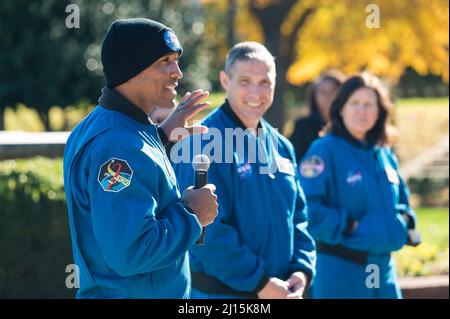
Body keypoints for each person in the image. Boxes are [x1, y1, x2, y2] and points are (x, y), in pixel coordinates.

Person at [63, 18, 218, 299]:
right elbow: (133, 252)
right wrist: (192, 214)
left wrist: (159, 139)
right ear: (130, 71)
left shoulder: (107, 127)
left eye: (177, 60)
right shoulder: (119, 146)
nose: (178, 72)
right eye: (164, 61)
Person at [173, 42, 316, 299]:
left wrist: (301, 271)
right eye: (245, 81)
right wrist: (260, 283)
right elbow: (205, 232)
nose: (256, 92)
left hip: (282, 292)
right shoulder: (204, 141)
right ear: (225, 80)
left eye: (265, 82)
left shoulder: (281, 146)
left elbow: (299, 217)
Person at [298, 73, 421, 299]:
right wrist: (349, 225)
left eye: (368, 105)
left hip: (381, 269)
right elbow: (306, 209)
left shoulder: (384, 154)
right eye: (354, 103)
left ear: (379, 112)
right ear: (341, 108)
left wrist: (404, 222)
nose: (361, 111)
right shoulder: (323, 151)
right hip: (341, 267)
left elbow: (402, 200)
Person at [290, 70, 345, 161]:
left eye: (333, 91)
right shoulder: (303, 126)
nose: (328, 97)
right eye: (322, 92)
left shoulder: (349, 126)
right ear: (314, 96)